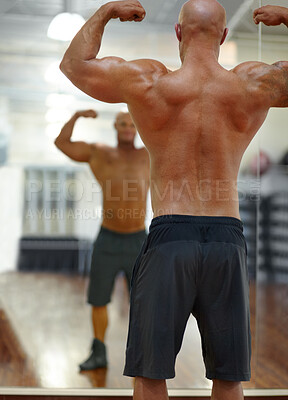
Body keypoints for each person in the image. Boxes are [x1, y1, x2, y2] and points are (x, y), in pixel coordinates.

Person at [59, 1, 288, 398]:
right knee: (228, 378)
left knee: (150, 375)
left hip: (170, 237)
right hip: (226, 240)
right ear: (224, 36)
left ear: (178, 34)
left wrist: (107, 12)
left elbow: (75, 66)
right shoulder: (254, 83)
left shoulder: (149, 82)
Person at [54, 109, 150, 371]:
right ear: (115, 127)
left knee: (142, 302)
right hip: (107, 239)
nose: (128, 128)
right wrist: (75, 116)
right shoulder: (100, 152)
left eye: (132, 124)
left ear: (138, 127)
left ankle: (143, 355)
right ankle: (98, 353)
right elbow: (62, 144)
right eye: (122, 124)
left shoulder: (149, 155)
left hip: (138, 241)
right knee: (98, 299)